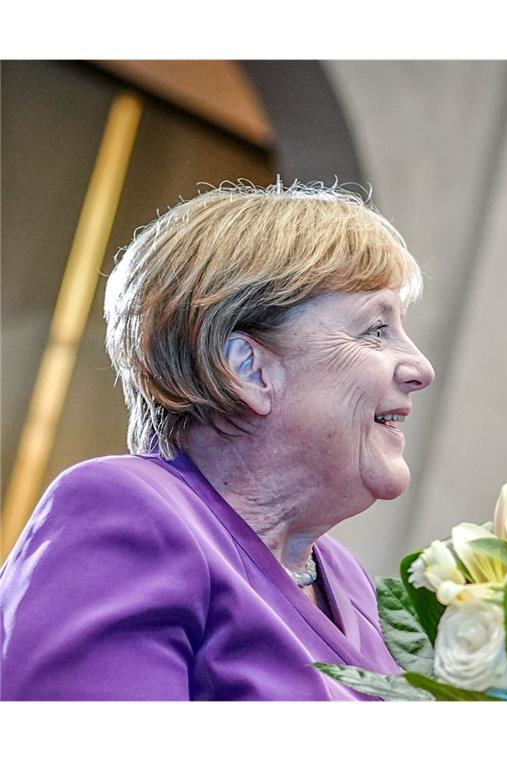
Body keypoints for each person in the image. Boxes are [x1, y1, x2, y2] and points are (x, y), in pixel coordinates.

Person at [0, 183, 435, 699]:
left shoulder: (348, 580)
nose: (420, 369)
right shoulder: (129, 515)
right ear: (249, 369)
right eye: (375, 331)